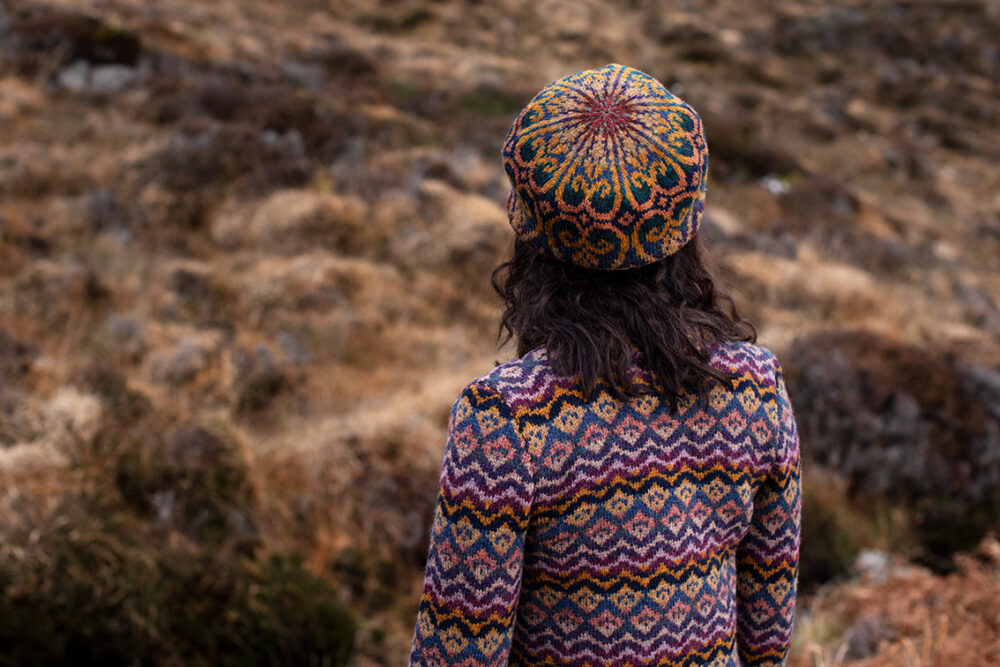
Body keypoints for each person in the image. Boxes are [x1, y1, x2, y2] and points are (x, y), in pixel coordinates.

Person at [408, 63, 801, 667]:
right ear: (687, 222)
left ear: (528, 224)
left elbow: (455, 655)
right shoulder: (755, 387)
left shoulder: (507, 418)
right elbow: (768, 642)